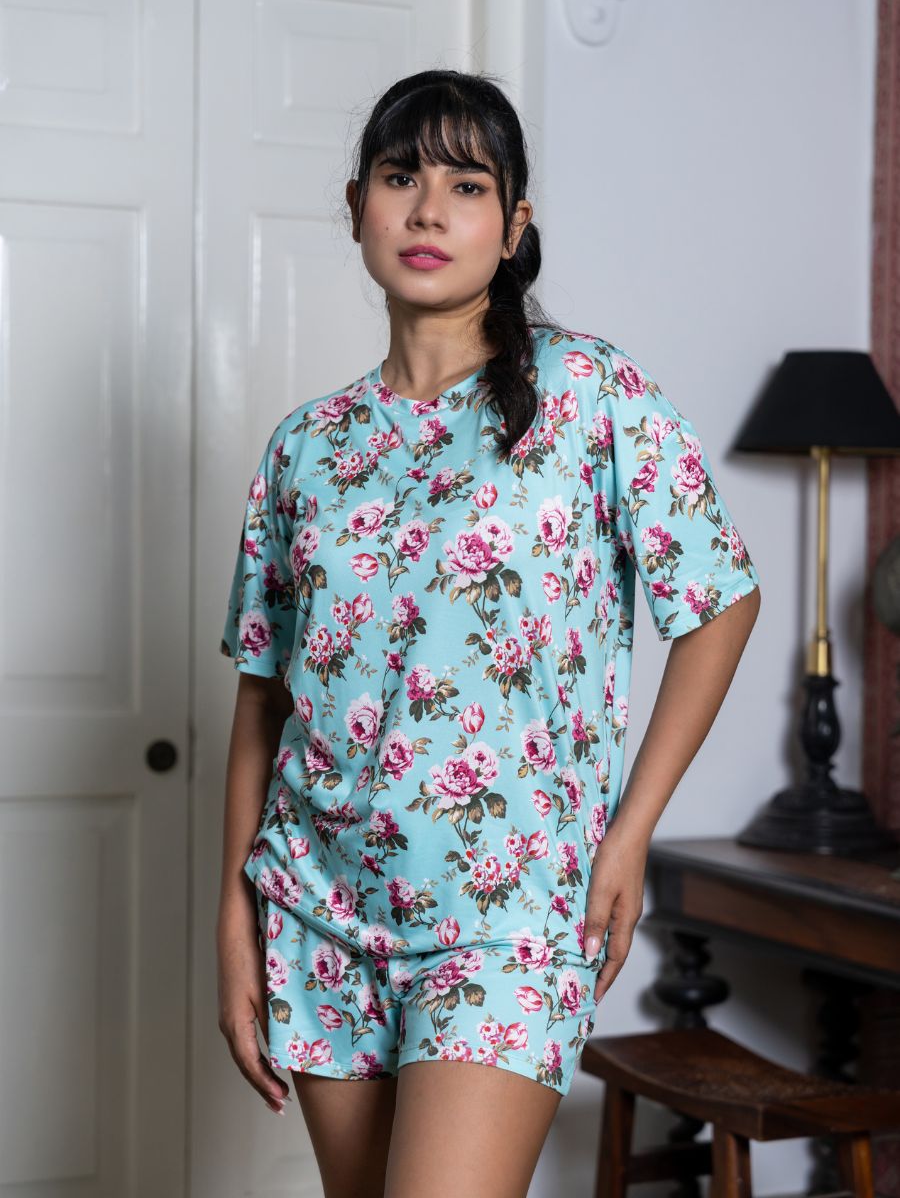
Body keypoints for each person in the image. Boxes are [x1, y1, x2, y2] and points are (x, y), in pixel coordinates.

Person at [216, 67, 762, 1198]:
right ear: (357, 207)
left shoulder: (591, 394)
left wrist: (630, 832)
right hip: (318, 911)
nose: (428, 210)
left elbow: (720, 599)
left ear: (514, 227)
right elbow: (264, 696)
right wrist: (237, 921)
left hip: (509, 917)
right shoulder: (304, 447)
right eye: (400, 177)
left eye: (467, 186)